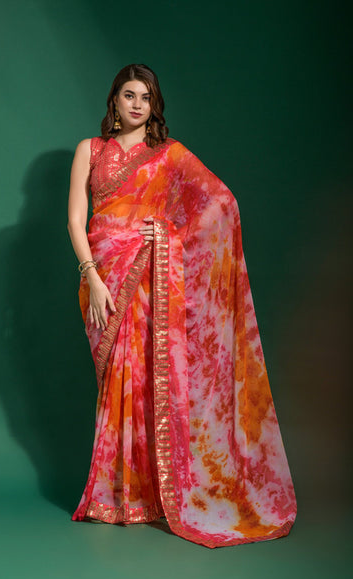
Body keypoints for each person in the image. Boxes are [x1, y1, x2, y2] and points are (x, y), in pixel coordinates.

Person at [67, 63, 297, 549]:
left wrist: (168, 234)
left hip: (149, 273)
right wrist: (92, 276)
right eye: (129, 95)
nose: (137, 104)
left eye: (145, 98)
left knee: (144, 378)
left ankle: (146, 497)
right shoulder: (90, 150)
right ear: (114, 100)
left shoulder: (168, 155)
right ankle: (114, 492)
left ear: (154, 106)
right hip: (104, 272)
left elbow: (221, 204)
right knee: (115, 381)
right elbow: (75, 219)